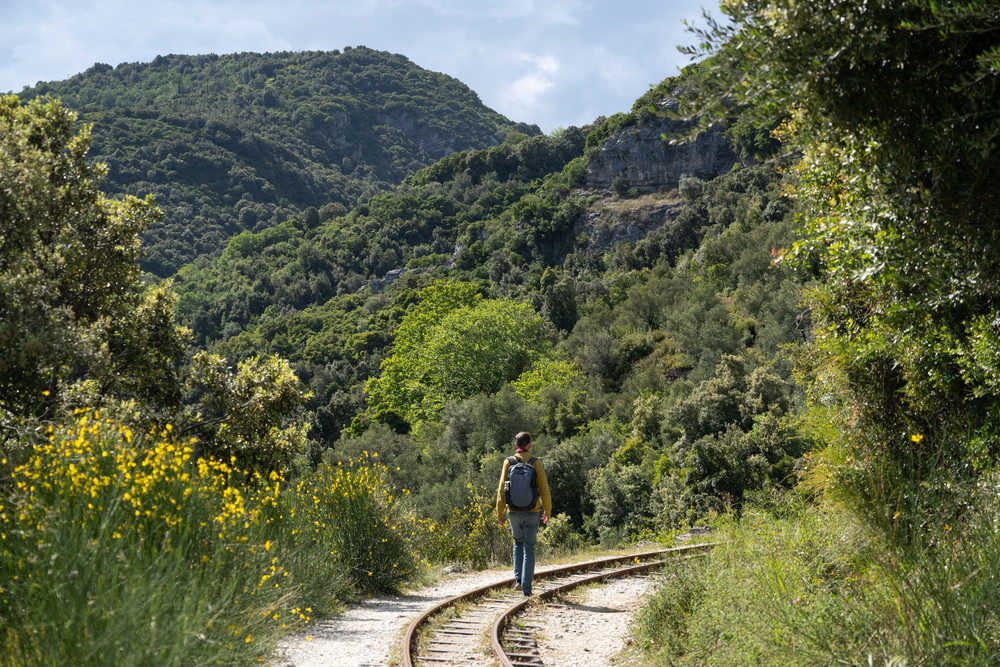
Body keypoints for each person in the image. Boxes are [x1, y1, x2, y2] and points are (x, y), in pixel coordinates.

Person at [496, 431, 551, 596]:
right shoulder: (535, 463)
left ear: (516, 445)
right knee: (530, 547)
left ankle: (518, 580)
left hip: (513, 511)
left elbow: (501, 490)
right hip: (532, 512)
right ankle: (527, 589)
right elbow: (544, 489)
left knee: (517, 544)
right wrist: (547, 510)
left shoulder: (508, 462)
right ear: (528, 445)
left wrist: (500, 512)